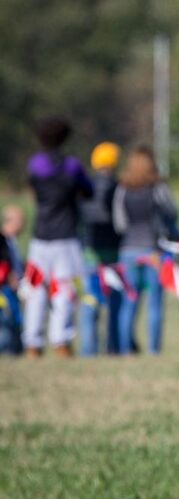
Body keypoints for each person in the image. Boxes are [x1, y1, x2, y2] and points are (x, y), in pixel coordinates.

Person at [24, 116, 93, 358]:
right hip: (66, 236)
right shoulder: (71, 166)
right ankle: (61, 341)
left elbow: (33, 187)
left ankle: (33, 342)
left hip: (40, 236)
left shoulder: (35, 165)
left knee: (35, 289)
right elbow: (88, 191)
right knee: (64, 289)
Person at [113, 146, 179, 355]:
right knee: (155, 303)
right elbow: (173, 212)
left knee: (129, 301)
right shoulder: (158, 188)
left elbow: (120, 223)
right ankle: (153, 350)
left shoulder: (122, 188)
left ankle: (125, 350)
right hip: (154, 251)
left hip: (128, 250)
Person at [79, 142, 122, 356]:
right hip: (113, 250)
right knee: (115, 301)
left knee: (90, 298)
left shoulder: (85, 186)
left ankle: (88, 349)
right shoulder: (117, 186)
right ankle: (113, 346)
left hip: (89, 251)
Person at [0, 206, 25, 355]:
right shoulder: (2, 240)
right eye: (22, 222)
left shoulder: (12, 241)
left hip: (14, 290)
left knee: (15, 324)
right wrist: (10, 279)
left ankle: (15, 353)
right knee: (5, 326)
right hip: (4, 291)